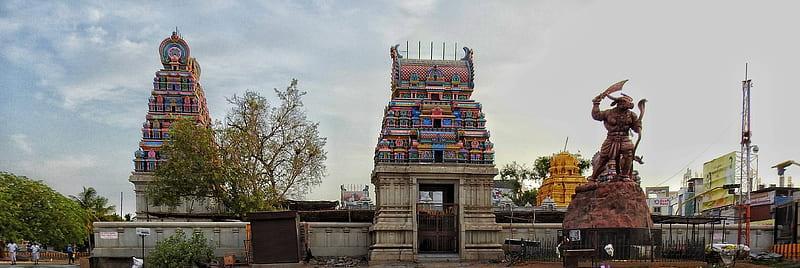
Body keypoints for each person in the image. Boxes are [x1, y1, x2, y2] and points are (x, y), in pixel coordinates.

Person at [588, 89, 642, 182]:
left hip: (625, 138)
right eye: (624, 102)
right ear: (618, 103)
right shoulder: (609, 113)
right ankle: (593, 178)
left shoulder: (632, 115)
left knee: (628, 153)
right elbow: (596, 116)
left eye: (628, 103)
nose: (627, 105)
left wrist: (638, 126)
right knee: (603, 159)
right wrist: (596, 103)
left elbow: (635, 129)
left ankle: (624, 175)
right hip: (611, 138)